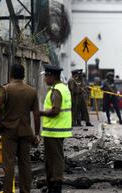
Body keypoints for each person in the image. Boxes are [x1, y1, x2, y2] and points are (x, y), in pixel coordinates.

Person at [0, 64, 41, 193]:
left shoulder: (6, 89)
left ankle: (8, 190)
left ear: (11, 74)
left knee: (8, 163)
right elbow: (36, 113)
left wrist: (0, 125)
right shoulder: (32, 91)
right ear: (23, 75)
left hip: (9, 131)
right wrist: (37, 133)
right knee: (25, 163)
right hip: (26, 132)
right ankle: (25, 190)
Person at [40, 64, 73, 193]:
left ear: (52, 76)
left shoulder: (57, 90)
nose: (44, 79)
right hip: (58, 129)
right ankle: (54, 183)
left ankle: (55, 184)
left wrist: (39, 112)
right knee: (54, 158)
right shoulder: (63, 88)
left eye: (46, 76)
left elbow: (55, 110)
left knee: (55, 159)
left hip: (54, 130)